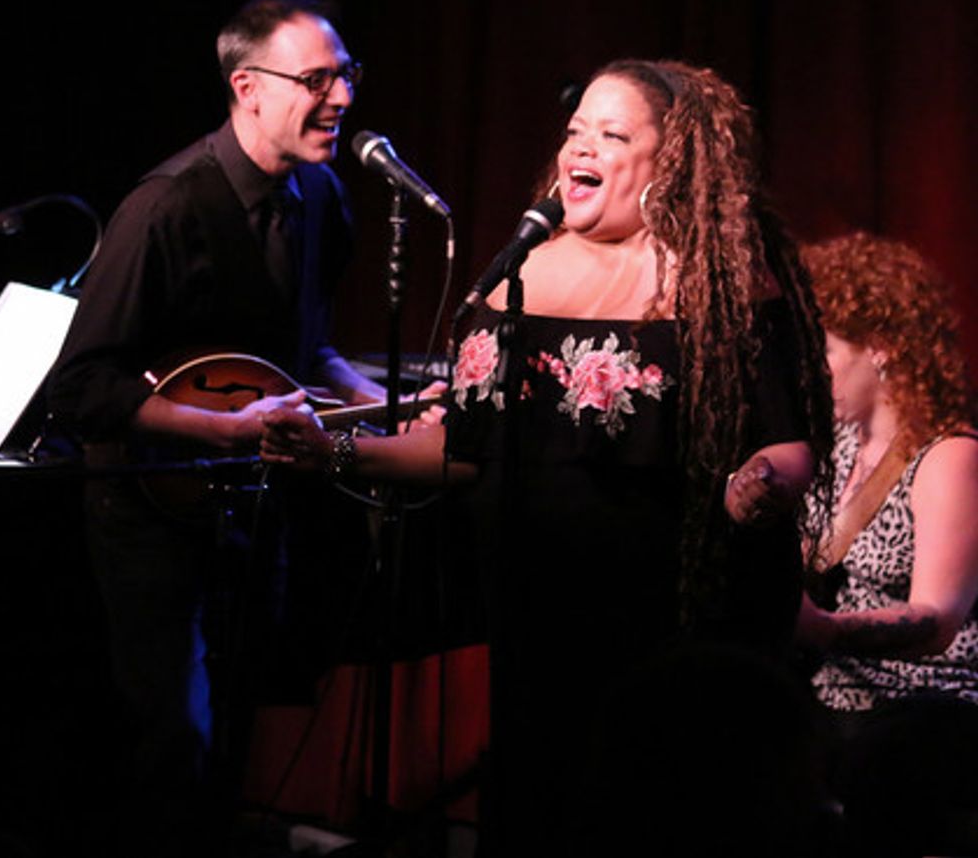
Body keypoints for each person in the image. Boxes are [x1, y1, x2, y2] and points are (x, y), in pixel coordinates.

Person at [262, 59, 835, 853]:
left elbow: (788, 437)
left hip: (678, 618)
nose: (581, 148)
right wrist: (338, 452)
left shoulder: (720, 280)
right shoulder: (520, 275)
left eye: (611, 133)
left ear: (670, 159)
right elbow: (465, 455)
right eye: (575, 132)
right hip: (544, 619)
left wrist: (762, 480)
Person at [45, 0, 391, 856]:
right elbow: (83, 388)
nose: (342, 96)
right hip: (145, 508)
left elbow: (307, 352)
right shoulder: (162, 208)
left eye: (346, 74)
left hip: (248, 505)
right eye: (317, 78)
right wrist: (224, 430)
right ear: (248, 87)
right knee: (174, 737)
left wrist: (389, 407)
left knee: (240, 724)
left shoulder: (322, 199)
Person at [795, 232, 978, 854]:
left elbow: (938, 623)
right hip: (830, 695)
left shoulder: (949, 457)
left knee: (882, 760)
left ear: (881, 348)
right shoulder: (835, 451)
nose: (810, 367)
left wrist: (820, 628)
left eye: (823, 348)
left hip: (926, 704)